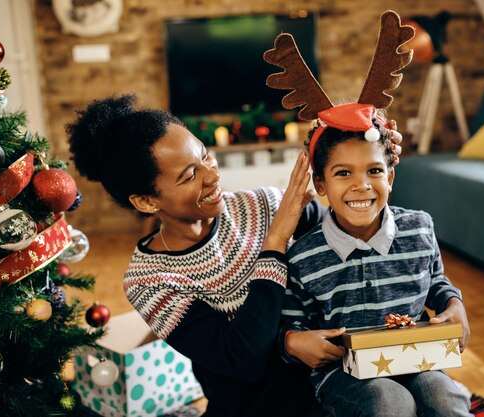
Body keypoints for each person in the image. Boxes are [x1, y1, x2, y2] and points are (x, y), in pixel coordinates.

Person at [66, 94, 403, 417]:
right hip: (258, 409)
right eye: (189, 175)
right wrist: (275, 242)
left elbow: (354, 242)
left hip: (333, 384)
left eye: (205, 156)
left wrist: (372, 158)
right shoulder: (149, 282)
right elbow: (241, 358)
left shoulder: (263, 204)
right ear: (147, 202)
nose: (212, 175)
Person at [279, 104, 473, 417]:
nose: (362, 185)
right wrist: (294, 342)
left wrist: (454, 303)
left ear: (390, 176)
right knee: (390, 401)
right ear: (321, 184)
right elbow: (291, 325)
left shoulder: (419, 228)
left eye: (374, 171)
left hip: (417, 359)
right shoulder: (304, 255)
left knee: (444, 397)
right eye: (343, 173)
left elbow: (435, 280)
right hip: (344, 374)